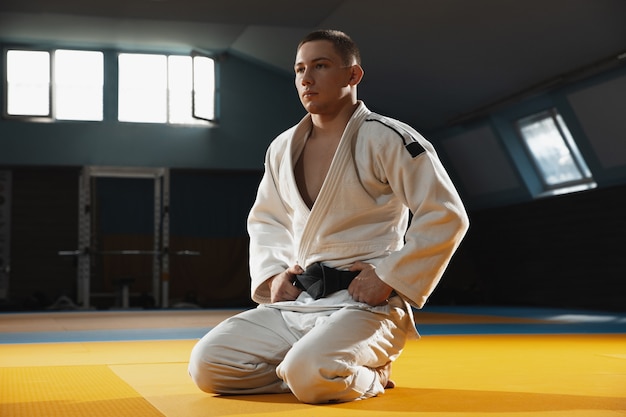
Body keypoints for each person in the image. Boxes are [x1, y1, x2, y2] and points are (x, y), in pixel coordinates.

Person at [188, 29, 469, 404]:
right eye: (300, 69)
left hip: (367, 305)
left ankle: (364, 372)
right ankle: (315, 368)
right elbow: (267, 219)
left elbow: (446, 215)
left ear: (353, 75)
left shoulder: (388, 138)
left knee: (309, 376)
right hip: (299, 302)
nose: (306, 78)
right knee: (207, 366)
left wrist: (388, 276)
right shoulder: (282, 147)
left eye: (320, 66)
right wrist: (273, 275)